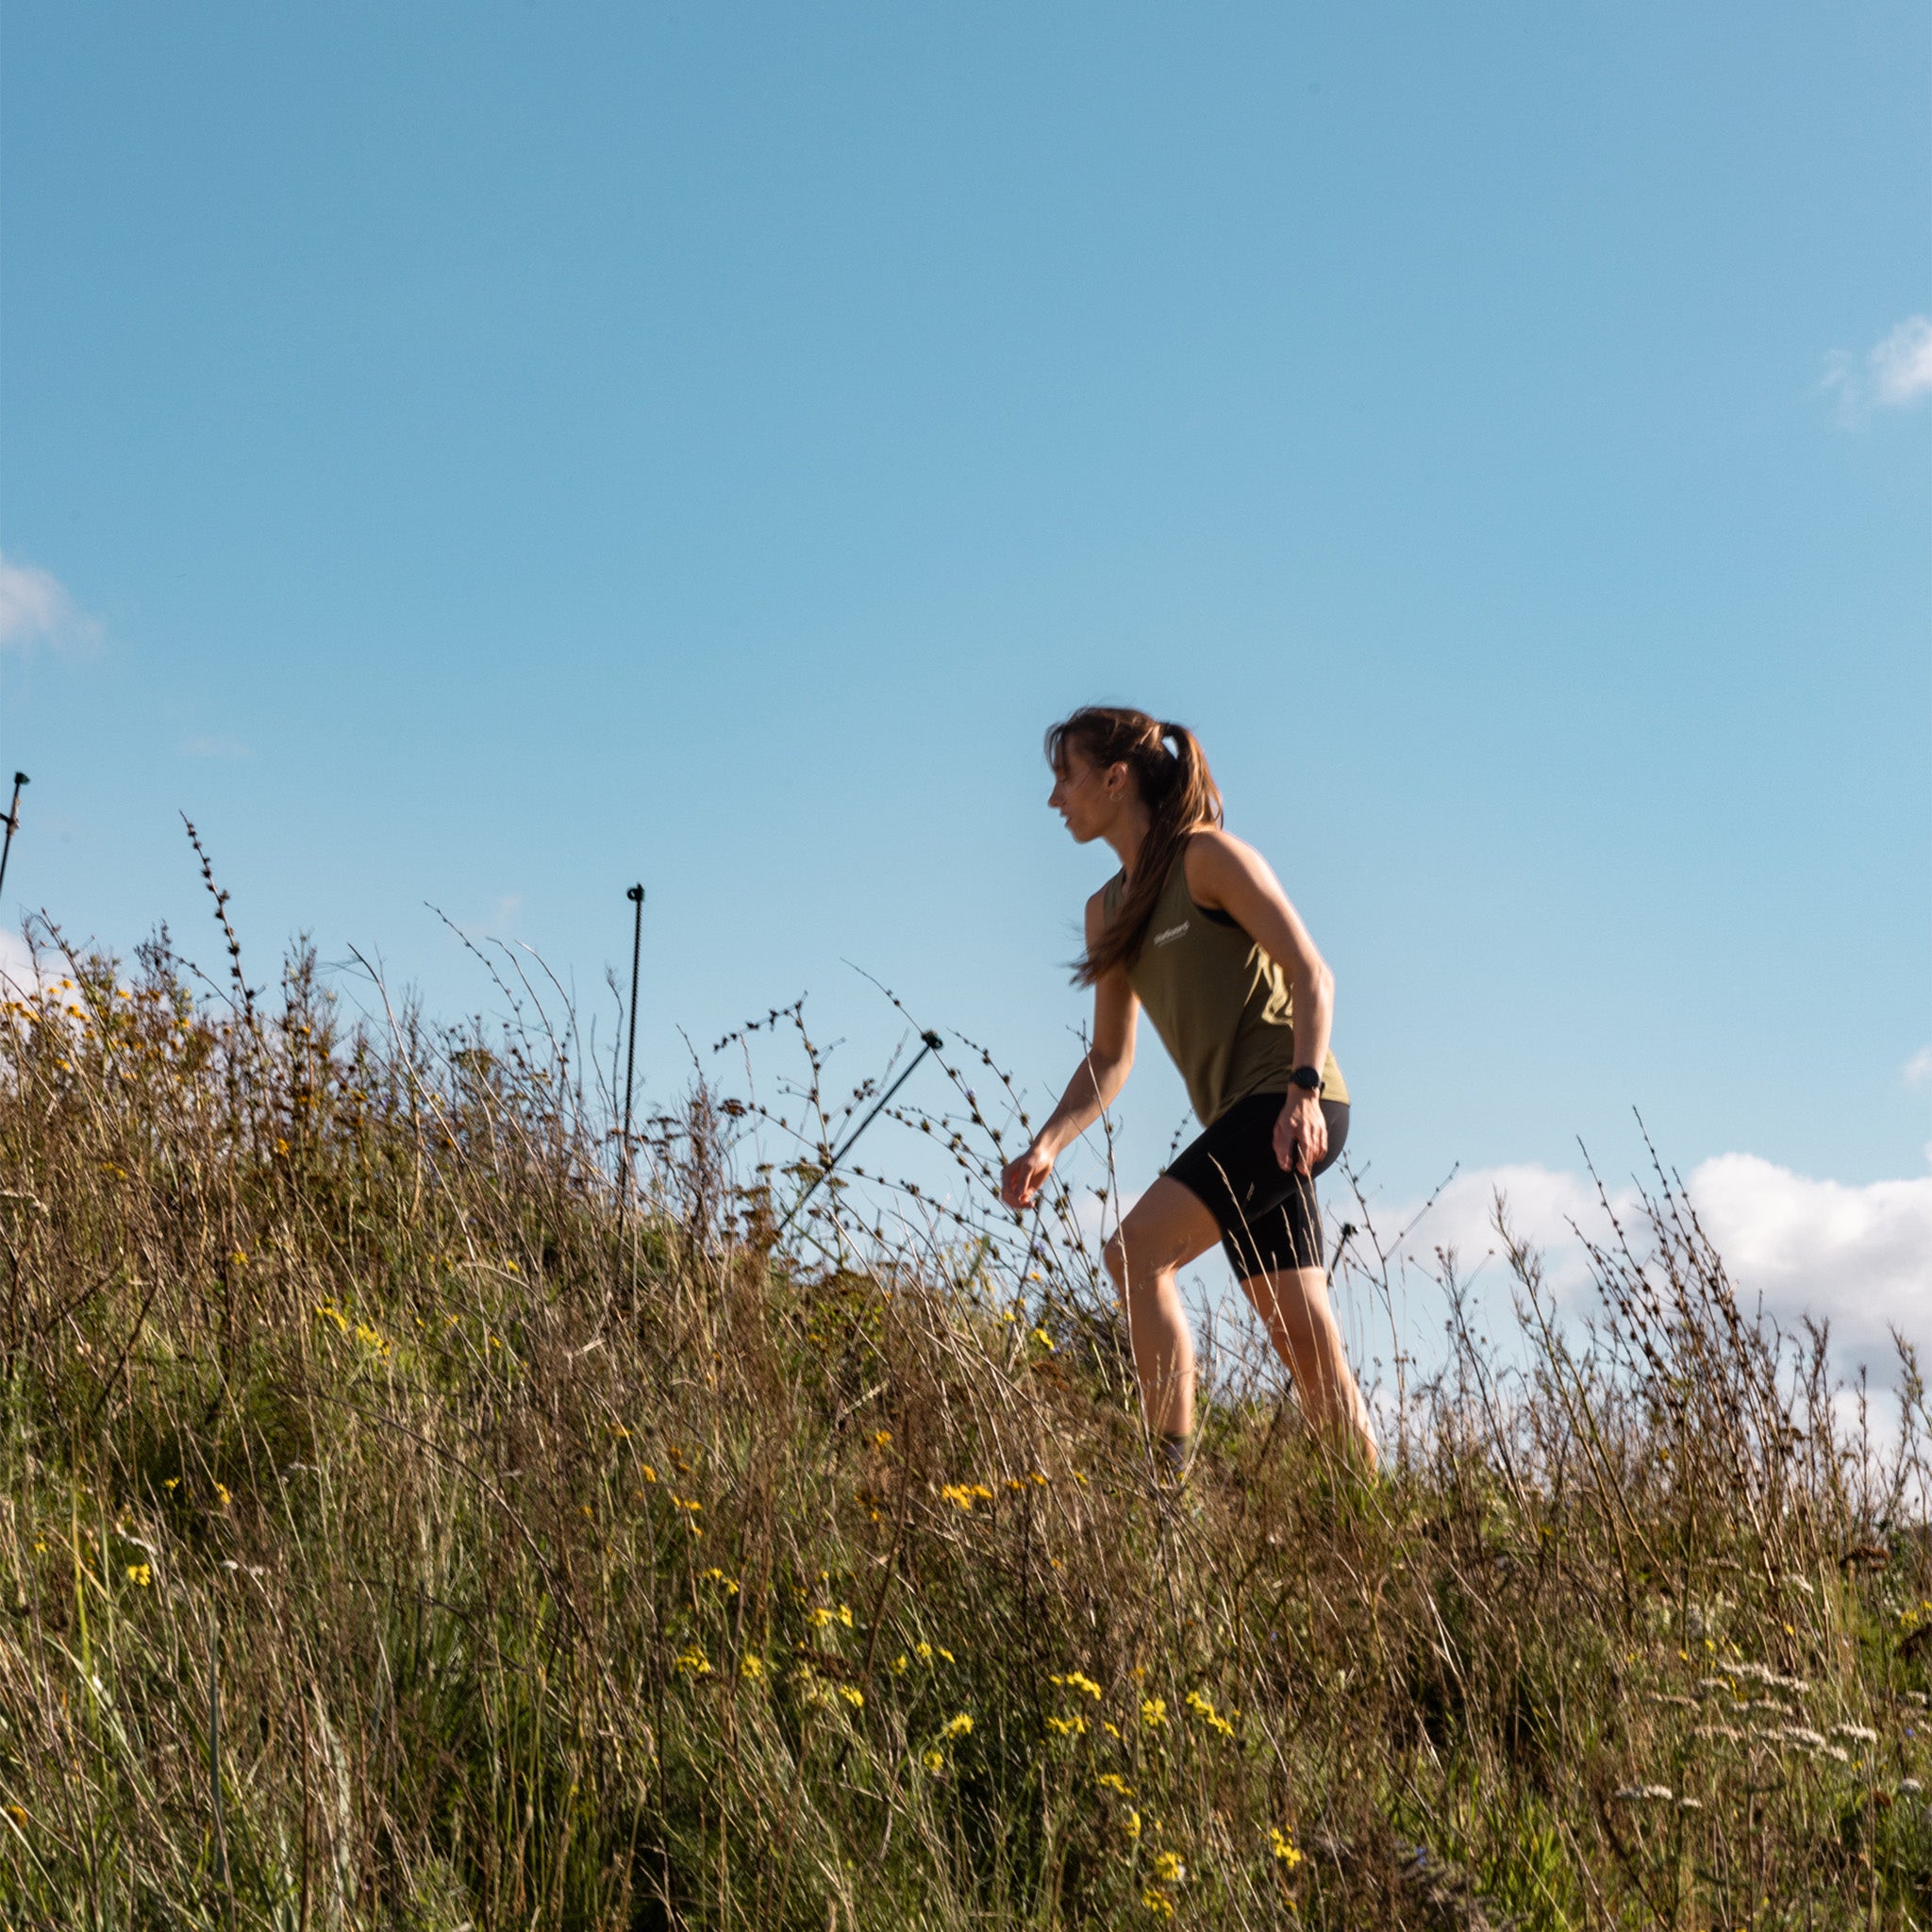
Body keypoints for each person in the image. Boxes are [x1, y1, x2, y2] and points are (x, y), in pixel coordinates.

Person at [1000, 707, 1375, 1474]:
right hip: (1245, 1120)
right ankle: (1371, 1519)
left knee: (1134, 1252)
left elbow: (1313, 973)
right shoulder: (1106, 912)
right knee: (1304, 1342)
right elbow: (1110, 1056)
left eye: (1064, 778)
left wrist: (1303, 1090)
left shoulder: (1207, 859)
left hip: (1294, 1102)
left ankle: (1163, 1484)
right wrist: (1046, 1143)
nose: (1054, 800)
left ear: (1116, 777)